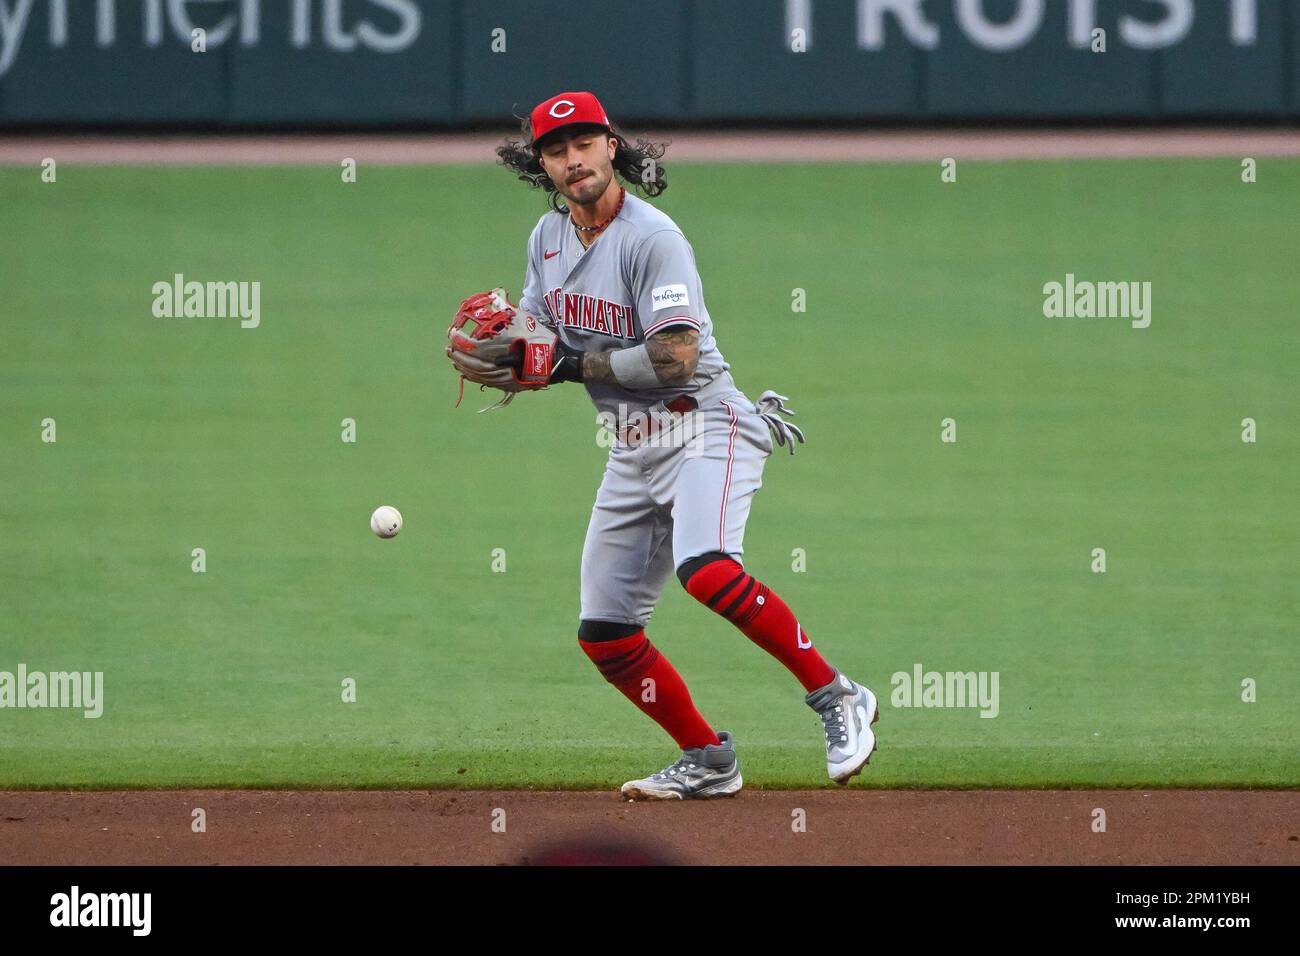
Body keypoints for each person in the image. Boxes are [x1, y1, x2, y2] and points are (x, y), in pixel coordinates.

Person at [483, 91, 878, 800]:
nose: (573, 161)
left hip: (707, 424)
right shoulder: (546, 241)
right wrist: (508, 349)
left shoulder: (652, 237)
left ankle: (838, 695)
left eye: (584, 143)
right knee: (605, 635)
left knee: (707, 568)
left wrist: (567, 366)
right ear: (540, 164)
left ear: (612, 146)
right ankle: (707, 760)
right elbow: (538, 336)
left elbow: (677, 358)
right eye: (556, 150)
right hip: (632, 448)